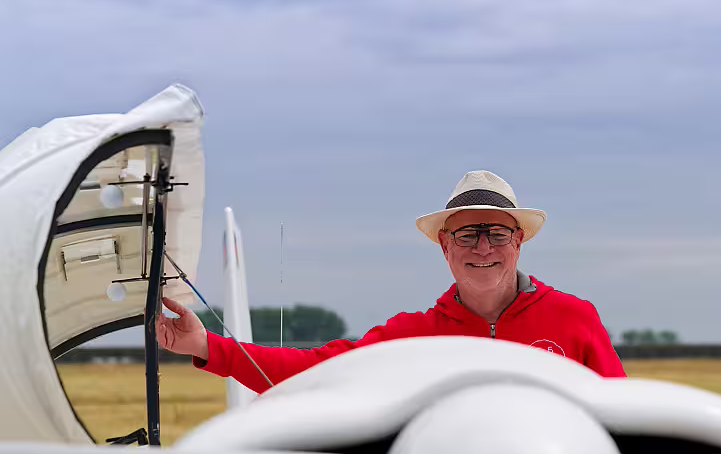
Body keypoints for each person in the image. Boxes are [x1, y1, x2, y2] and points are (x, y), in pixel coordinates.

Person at [158, 170, 626, 392]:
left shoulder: (574, 317)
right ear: (444, 245)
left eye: (496, 233)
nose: (483, 249)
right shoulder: (415, 334)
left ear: (518, 240)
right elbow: (316, 369)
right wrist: (207, 346)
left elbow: (624, 413)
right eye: (467, 234)